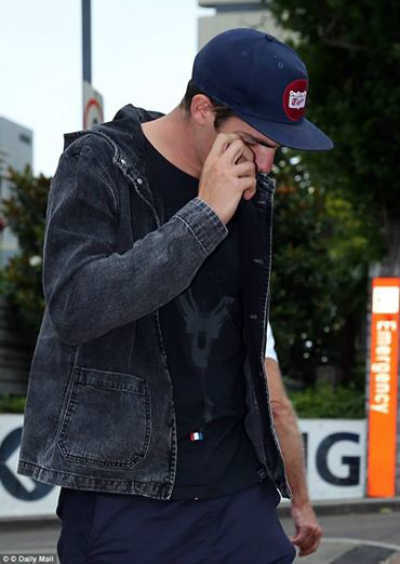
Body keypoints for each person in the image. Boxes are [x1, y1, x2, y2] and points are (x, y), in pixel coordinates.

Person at [17, 28, 332, 563]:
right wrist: (204, 217)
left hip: (238, 493)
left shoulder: (248, 185)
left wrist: (293, 492)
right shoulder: (101, 163)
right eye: (255, 142)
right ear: (203, 109)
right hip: (127, 492)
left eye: (275, 150)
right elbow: (75, 307)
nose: (265, 166)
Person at [264, 322, 322, 557]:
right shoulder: (245, 306)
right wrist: (301, 504)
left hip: (153, 499)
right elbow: (276, 408)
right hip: (227, 490)